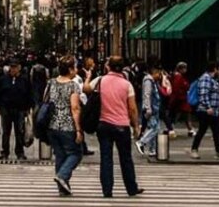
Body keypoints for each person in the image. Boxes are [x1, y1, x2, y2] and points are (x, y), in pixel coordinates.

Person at [84, 56, 142, 198]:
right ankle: (131, 188)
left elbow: (85, 89)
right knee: (126, 158)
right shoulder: (127, 84)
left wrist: (88, 77)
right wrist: (136, 126)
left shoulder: (100, 80)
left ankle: (107, 190)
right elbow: (133, 108)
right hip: (122, 125)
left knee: (106, 157)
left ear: (108, 67)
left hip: (104, 124)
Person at [46, 55, 83, 196]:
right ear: (69, 69)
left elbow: (45, 101)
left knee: (60, 155)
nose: (76, 70)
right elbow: (75, 107)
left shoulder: (51, 83)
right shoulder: (73, 85)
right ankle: (62, 176)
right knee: (76, 154)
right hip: (67, 125)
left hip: (52, 125)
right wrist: (78, 129)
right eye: (74, 67)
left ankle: (63, 188)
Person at [0, 59, 33, 160]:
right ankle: (5, 151)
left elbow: (29, 94)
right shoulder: (3, 79)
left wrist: (28, 108)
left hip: (20, 108)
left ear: (19, 68)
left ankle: (19, 151)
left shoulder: (24, 80)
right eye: (12, 67)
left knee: (19, 131)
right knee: (6, 132)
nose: (13, 69)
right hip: (6, 108)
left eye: (15, 67)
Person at [189, 61, 219, 160]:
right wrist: (208, 107)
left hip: (213, 111)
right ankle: (194, 150)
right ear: (215, 69)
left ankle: (218, 151)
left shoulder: (211, 79)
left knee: (216, 131)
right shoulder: (206, 78)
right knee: (202, 130)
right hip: (206, 111)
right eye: (218, 69)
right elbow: (203, 94)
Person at [137, 62, 161, 157]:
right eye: (158, 73)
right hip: (151, 108)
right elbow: (146, 95)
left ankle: (152, 149)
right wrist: (148, 108)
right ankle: (141, 142)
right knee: (155, 128)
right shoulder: (148, 81)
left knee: (153, 128)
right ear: (154, 72)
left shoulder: (153, 82)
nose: (159, 75)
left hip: (154, 108)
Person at [168, 62, 193, 137]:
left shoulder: (177, 76)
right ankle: (190, 129)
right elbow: (177, 89)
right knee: (185, 115)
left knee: (176, 115)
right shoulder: (178, 77)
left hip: (180, 99)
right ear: (181, 69)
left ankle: (171, 128)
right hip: (181, 99)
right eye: (184, 68)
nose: (186, 70)